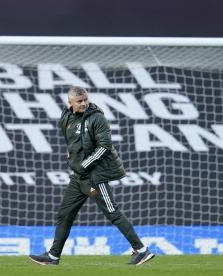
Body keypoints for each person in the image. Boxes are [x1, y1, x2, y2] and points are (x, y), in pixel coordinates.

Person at [29, 86, 155, 266]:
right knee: (64, 214)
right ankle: (53, 256)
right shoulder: (67, 117)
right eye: (79, 101)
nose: (84, 103)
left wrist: (83, 164)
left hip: (95, 176)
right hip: (78, 177)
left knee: (113, 213)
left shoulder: (97, 118)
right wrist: (71, 155)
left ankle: (142, 250)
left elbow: (104, 147)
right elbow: (71, 140)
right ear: (70, 103)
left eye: (85, 100)